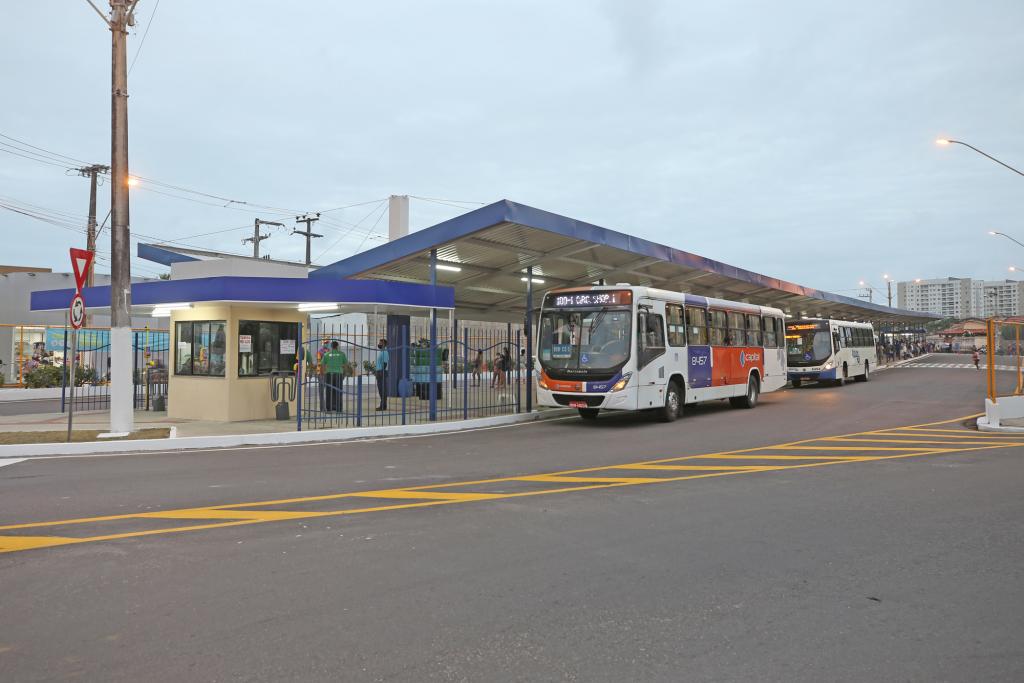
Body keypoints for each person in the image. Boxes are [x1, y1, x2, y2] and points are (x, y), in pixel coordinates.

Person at [322, 341, 347, 411]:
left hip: (329, 374)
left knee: (329, 391)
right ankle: (338, 408)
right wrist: (344, 374)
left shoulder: (326, 354)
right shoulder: (342, 354)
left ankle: (329, 407)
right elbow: (345, 365)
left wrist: (323, 373)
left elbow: (322, 365)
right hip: (339, 374)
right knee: (338, 391)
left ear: (331, 346)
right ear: (337, 346)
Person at [374, 338, 389, 411]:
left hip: (382, 372)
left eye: (380, 343)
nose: (379, 344)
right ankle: (383, 405)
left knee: (382, 389)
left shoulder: (384, 352)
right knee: (380, 390)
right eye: (379, 343)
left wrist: (381, 371)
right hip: (379, 371)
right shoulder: (381, 351)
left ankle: (383, 406)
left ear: (384, 344)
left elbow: (385, 363)